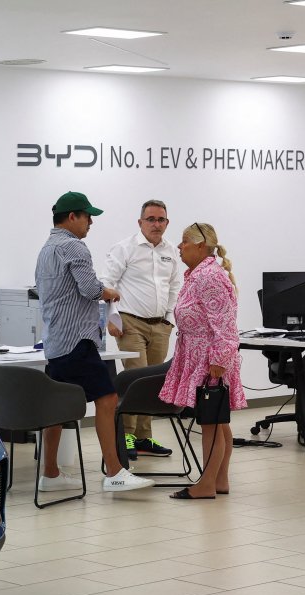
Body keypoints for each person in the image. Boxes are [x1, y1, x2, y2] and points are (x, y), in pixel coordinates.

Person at [35, 191, 155, 493]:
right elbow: (90, 290)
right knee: (108, 399)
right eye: (88, 217)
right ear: (72, 216)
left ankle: (50, 473)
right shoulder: (75, 247)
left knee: (57, 408)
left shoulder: (46, 249)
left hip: (56, 342)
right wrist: (110, 292)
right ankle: (115, 471)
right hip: (79, 340)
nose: (91, 223)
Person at [159, 222, 246, 499]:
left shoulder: (209, 277)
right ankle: (219, 480)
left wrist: (218, 361)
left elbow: (225, 325)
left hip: (210, 359)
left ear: (199, 246)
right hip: (200, 356)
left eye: (183, 242)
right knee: (218, 422)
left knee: (210, 423)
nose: (179, 247)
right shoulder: (197, 275)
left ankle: (206, 484)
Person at [101, 199, 183, 461]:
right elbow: (107, 283)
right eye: (151, 219)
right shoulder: (125, 248)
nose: (156, 224)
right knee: (135, 378)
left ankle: (144, 437)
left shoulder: (171, 251)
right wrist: (111, 318)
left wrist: (170, 320)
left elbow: (174, 287)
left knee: (152, 383)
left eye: (161, 220)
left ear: (167, 223)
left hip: (160, 325)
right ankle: (126, 433)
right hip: (131, 322)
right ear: (140, 222)